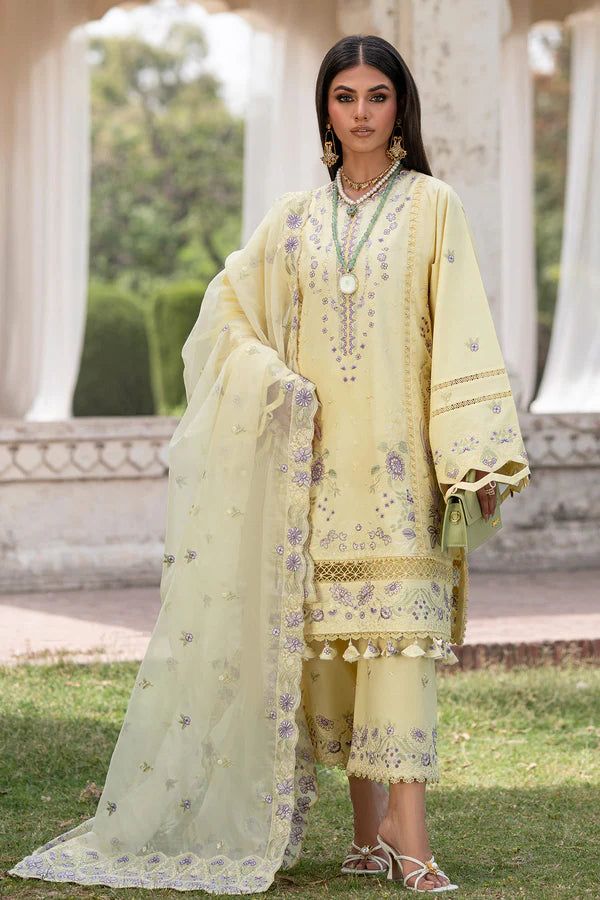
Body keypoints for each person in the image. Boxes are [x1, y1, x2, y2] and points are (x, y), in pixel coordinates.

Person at [10, 34, 529, 895]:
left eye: (376, 97)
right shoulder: (291, 221)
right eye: (344, 98)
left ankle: (413, 839)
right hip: (314, 479)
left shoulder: (435, 206)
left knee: (395, 649)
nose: (360, 114)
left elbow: (465, 328)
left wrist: (470, 458)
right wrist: (281, 387)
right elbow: (227, 311)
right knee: (332, 661)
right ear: (324, 110)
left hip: (400, 480)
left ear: (401, 107)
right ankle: (367, 841)